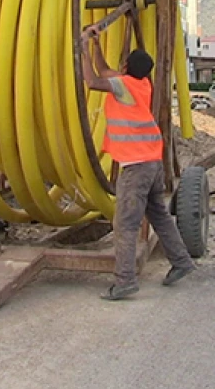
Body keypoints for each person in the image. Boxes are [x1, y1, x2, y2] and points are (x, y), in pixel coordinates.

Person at [80, 29, 196, 301]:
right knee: (159, 215)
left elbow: (92, 80)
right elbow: (105, 70)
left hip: (136, 166)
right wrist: (96, 44)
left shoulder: (123, 86)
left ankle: (125, 281)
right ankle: (181, 262)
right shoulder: (142, 84)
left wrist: (83, 48)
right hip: (153, 162)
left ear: (126, 67)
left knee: (125, 224)